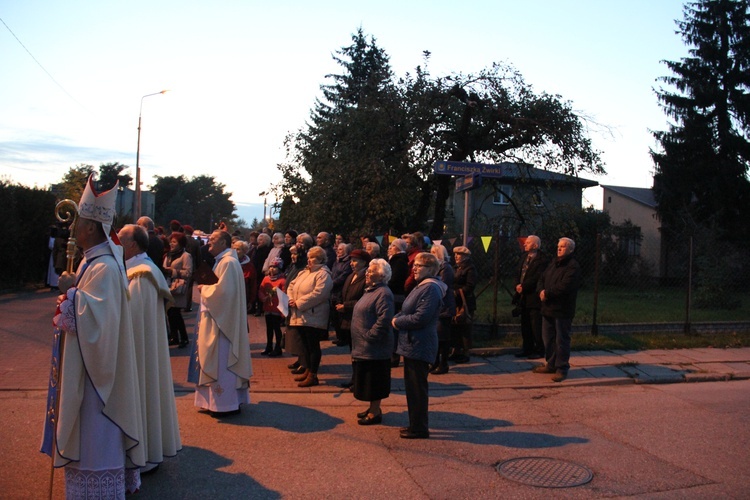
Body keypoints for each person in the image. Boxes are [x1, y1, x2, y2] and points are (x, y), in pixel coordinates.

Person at [48, 174, 145, 497]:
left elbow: (100, 322)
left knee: (94, 433)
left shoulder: (103, 267)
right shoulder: (98, 263)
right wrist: (75, 292)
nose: (75, 229)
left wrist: (72, 294)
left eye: (79, 223)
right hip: (91, 368)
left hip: (96, 377)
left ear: (91, 228)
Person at [118, 224, 182, 476]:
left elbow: (131, 319)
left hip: (138, 352)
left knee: (143, 394)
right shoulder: (138, 270)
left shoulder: (142, 275)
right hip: (140, 349)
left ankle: (144, 453)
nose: (115, 243)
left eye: (120, 239)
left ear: (132, 244)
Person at [193, 229, 252, 415]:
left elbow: (224, 293)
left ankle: (224, 404)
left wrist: (204, 289)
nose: (209, 241)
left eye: (213, 239)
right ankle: (211, 402)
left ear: (224, 243)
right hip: (217, 319)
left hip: (222, 325)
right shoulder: (223, 261)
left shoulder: (228, 263)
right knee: (212, 359)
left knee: (221, 361)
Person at [393, 252, 446, 439]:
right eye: (413, 265)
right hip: (412, 343)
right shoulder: (421, 286)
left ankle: (419, 428)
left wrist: (397, 322)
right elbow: (408, 309)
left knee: (417, 389)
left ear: (431, 269)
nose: (414, 268)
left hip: (420, 343)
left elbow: (420, 317)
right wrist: (399, 317)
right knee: (413, 388)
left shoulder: (430, 288)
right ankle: (414, 424)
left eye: (419, 265)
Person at [351, 258, 394, 425]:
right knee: (367, 381)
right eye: (368, 270)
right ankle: (372, 408)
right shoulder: (371, 290)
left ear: (382, 276)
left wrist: (370, 336)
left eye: (372, 271)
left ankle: (375, 412)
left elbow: (384, 319)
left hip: (374, 347)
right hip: (364, 347)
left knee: (374, 381)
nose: (367, 273)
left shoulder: (383, 293)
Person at [534, 237, 582, 382]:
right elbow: (542, 278)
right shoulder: (553, 263)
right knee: (547, 338)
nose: (559, 248)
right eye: (558, 246)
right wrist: (541, 291)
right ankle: (551, 363)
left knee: (562, 339)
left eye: (563, 246)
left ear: (570, 249)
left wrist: (547, 293)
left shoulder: (573, 266)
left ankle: (561, 367)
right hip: (547, 307)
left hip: (562, 309)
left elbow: (565, 286)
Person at [286, 246, 333, 388]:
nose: (309, 260)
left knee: (313, 346)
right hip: (300, 314)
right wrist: (290, 298)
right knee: (304, 345)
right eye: (309, 257)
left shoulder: (323, 274)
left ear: (320, 259)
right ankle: (307, 370)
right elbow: (292, 285)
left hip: (313, 315)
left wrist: (299, 302)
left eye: (313, 257)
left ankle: (313, 374)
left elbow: (319, 294)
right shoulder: (304, 272)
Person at [334, 249, 371, 387]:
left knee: (359, 353)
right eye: (351, 260)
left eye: (355, 261)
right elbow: (345, 292)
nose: (352, 263)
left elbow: (365, 299)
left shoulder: (366, 277)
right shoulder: (351, 276)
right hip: (348, 319)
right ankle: (354, 379)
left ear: (363, 262)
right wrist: (340, 302)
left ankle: (359, 381)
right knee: (353, 351)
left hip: (358, 319)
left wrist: (346, 306)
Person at [514, 235, 549, 359]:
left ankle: (539, 349)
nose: (525, 244)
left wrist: (524, 286)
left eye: (528, 243)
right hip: (523, 297)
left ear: (535, 245)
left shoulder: (542, 260)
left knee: (536, 325)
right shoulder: (524, 257)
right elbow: (518, 273)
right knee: (525, 324)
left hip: (533, 296)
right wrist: (517, 285)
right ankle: (527, 348)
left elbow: (538, 277)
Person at [163, 232, 193, 347]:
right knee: (170, 313)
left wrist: (173, 272)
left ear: (181, 244)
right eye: (171, 241)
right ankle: (174, 337)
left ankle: (184, 338)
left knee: (176, 313)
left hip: (178, 288)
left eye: (174, 242)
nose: (171, 244)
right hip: (168, 286)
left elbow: (188, 272)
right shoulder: (169, 255)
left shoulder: (186, 256)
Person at [430, 244, 455, 375]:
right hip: (437, 306)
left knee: (443, 337)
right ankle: (434, 362)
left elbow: (442, 285)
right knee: (436, 336)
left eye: (435, 252)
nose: (432, 254)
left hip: (444, 306)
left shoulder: (445, 268)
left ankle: (443, 364)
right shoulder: (435, 268)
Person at [450, 245, 477, 364]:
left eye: (459, 254)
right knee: (455, 327)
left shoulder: (470, 269)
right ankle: (456, 351)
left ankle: (466, 352)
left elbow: (470, 286)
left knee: (465, 327)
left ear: (465, 256)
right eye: (455, 254)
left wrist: (456, 292)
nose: (456, 256)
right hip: (456, 302)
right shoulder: (456, 268)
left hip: (465, 302)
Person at [258, 257, 286, 356]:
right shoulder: (266, 279)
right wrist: (263, 298)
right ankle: (269, 346)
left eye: (274, 267)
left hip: (277, 309)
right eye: (270, 267)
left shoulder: (282, 280)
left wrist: (283, 311)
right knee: (269, 328)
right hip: (268, 307)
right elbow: (261, 290)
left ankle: (278, 347)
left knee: (276, 328)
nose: (272, 269)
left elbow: (284, 295)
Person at [330, 243, 353, 345]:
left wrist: (331, 283)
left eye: (340, 250)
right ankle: (339, 336)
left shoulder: (347, 263)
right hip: (333, 292)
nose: (338, 251)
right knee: (335, 317)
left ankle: (344, 338)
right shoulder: (336, 261)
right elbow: (332, 273)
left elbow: (344, 276)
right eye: (338, 249)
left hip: (341, 291)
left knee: (341, 316)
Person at [233, 239, 258, 315]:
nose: (235, 251)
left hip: (243, 296)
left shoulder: (249, 266)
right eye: (233, 249)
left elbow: (253, 284)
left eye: (238, 249)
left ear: (244, 251)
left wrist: (251, 300)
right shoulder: (230, 262)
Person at [183, 224, 202, 312]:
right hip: (193, 266)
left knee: (180, 285)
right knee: (190, 287)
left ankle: (180, 304)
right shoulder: (196, 242)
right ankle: (188, 305)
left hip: (182, 265)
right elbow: (198, 256)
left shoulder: (182, 240)